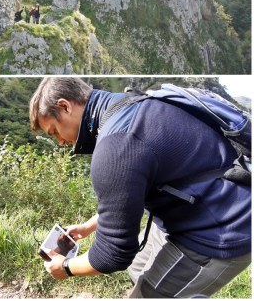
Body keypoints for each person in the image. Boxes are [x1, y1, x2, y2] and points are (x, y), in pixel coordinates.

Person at [29, 77, 250, 298]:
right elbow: (131, 191)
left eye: (54, 131)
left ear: (65, 106)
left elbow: (111, 255)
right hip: (206, 201)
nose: (60, 142)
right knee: (138, 269)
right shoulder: (129, 103)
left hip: (224, 227)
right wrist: (89, 226)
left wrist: (65, 267)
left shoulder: (116, 146)